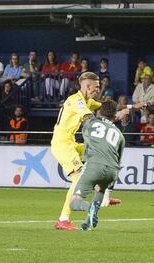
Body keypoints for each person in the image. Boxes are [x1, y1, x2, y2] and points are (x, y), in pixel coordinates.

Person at [51, 72, 119, 231]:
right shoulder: (77, 101)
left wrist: (128, 108)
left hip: (71, 143)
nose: (98, 90)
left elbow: (104, 106)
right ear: (87, 87)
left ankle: (104, 197)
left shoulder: (87, 100)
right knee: (78, 178)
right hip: (62, 145)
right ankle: (63, 219)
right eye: (96, 87)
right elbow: (88, 116)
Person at [69, 100, 125, 231]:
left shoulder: (91, 123)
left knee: (74, 202)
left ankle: (89, 208)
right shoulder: (120, 135)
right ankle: (87, 224)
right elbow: (119, 162)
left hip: (94, 165)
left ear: (100, 112)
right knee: (100, 189)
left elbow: (85, 121)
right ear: (114, 115)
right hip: (112, 171)